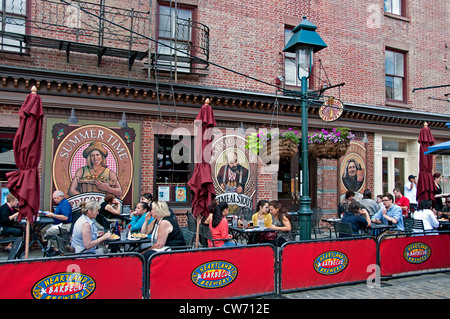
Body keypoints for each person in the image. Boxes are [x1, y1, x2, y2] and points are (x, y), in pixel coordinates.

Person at [41, 190, 73, 256]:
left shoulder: (65, 204)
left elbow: (65, 217)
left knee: (49, 231)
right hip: (57, 224)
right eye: (53, 198)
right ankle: (49, 245)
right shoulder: (60, 204)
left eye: (55, 198)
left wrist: (53, 215)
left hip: (64, 225)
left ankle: (56, 248)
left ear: (61, 196)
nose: (54, 200)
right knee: (43, 230)